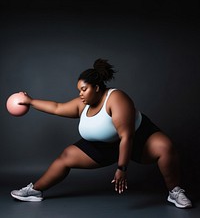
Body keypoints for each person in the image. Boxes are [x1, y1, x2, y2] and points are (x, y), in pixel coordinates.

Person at [10, 58, 192, 208]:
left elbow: (126, 136)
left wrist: (122, 168)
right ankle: (35, 190)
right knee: (66, 156)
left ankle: (174, 191)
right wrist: (31, 101)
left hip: (137, 139)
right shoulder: (83, 103)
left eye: (84, 89)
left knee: (165, 147)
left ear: (97, 87)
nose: (80, 94)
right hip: (105, 146)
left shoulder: (116, 98)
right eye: (79, 90)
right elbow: (58, 107)